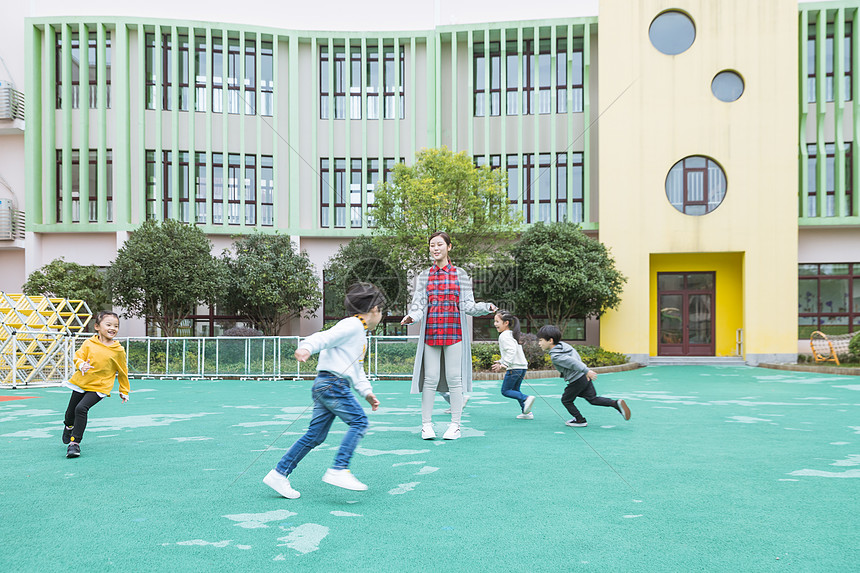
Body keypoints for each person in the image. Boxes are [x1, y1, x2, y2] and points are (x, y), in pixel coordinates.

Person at [263, 283, 383, 499]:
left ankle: (279, 474)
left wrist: (367, 392)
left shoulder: (359, 332)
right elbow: (324, 337)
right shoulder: (353, 325)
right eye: (383, 311)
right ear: (374, 309)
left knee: (315, 435)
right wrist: (306, 347)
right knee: (359, 422)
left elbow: (357, 368)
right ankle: (339, 468)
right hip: (333, 385)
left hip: (326, 385)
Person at [401, 231, 496, 440]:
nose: (435, 248)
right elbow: (419, 305)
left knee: (455, 379)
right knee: (430, 379)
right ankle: (426, 425)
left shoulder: (460, 275)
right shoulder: (425, 276)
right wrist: (411, 317)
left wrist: (485, 307)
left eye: (439, 245)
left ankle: (455, 425)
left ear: (449, 247)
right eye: (432, 245)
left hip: (454, 334)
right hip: (431, 335)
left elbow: (468, 306)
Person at [61, 311, 130, 458]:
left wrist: (124, 390)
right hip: (82, 382)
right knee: (70, 413)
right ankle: (68, 426)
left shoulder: (118, 350)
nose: (113, 328)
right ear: (97, 326)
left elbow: (123, 371)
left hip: (100, 387)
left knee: (81, 408)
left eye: (116, 326)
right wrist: (81, 365)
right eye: (109, 324)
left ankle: (74, 443)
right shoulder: (89, 343)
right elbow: (78, 357)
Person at [537, 325, 631, 427]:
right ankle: (615, 404)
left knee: (566, 400)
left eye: (541, 340)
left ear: (550, 341)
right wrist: (585, 372)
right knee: (592, 399)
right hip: (583, 377)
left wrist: (586, 370)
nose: (539, 343)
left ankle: (580, 420)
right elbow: (576, 357)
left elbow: (573, 362)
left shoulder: (556, 356)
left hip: (577, 379)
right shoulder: (564, 346)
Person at [490, 310, 535, 419]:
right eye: (494, 321)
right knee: (515, 390)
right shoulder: (511, 334)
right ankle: (527, 413)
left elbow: (511, 350)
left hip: (515, 368)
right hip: (521, 367)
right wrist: (501, 361)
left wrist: (504, 364)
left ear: (506, 323)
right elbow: (511, 351)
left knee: (505, 391)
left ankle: (526, 398)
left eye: (497, 321)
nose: (495, 324)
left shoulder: (504, 335)